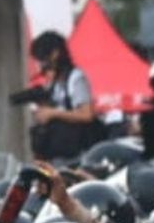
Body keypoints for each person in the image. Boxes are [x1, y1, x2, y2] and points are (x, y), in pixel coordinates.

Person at [28, 31, 102, 163]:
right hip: (58, 153)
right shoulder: (54, 83)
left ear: (55, 54)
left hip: (78, 153)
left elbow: (86, 114)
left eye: (43, 58)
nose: (42, 64)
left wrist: (53, 113)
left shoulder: (75, 78)